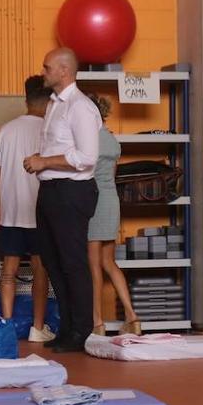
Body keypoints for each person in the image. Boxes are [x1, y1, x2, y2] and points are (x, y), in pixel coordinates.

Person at [23, 47, 101, 353]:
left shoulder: (80, 107)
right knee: (54, 263)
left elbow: (87, 156)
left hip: (72, 191)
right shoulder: (55, 104)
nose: (43, 72)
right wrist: (43, 163)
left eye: (46, 68)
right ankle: (68, 328)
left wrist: (45, 162)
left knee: (72, 263)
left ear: (64, 71)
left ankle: (82, 331)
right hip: (52, 191)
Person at [0, 75, 55, 343]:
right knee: (40, 270)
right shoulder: (50, 131)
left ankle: (6, 325)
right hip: (40, 212)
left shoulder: (7, 130)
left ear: (25, 99)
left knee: (9, 271)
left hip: (11, 210)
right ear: (49, 99)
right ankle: (37, 328)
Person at [84, 92, 140, 336]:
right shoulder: (111, 139)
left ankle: (97, 322)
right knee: (109, 262)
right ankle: (132, 317)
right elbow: (112, 175)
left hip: (93, 199)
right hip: (110, 199)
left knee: (93, 264)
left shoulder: (87, 139)